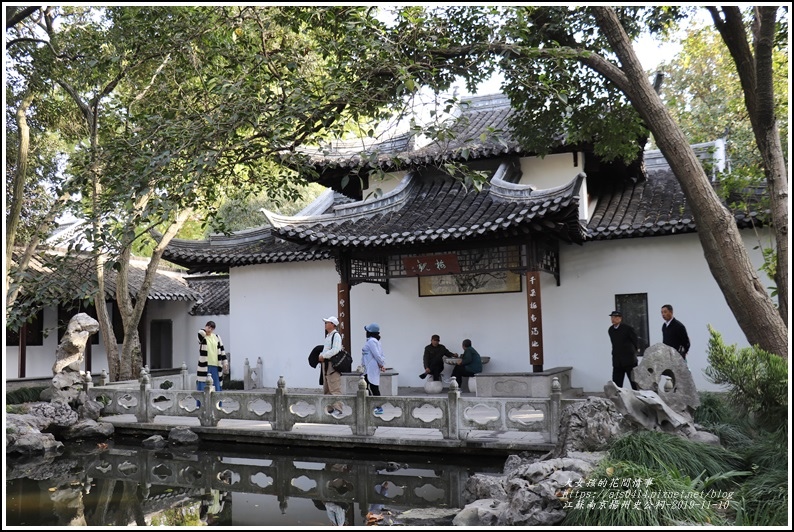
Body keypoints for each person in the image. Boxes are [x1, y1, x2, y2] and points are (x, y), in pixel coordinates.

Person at [319, 316, 345, 416]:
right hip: (326, 364)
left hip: (332, 365)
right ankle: (330, 409)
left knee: (334, 388)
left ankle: (338, 409)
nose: (325, 324)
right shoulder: (328, 336)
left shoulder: (336, 336)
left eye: (327, 322)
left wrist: (323, 356)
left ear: (333, 324)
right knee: (327, 388)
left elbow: (335, 350)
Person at [607, 310, 639, 389]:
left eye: (615, 317)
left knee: (634, 382)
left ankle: (638, 397)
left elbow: (635, 341)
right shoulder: (611, 330)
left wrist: (634, 353)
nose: (613, 319)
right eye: (612, 317)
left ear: (620, 318)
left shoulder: (628, 329)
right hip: (617, 360)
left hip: (629, 360)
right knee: (616, 383)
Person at [197, 320, 227, 392]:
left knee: (216, 385)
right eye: (208, 327)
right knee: (203, 384)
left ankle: (217, 403)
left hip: (216, 364)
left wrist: (225, 362)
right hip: (204, 365)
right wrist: (205, 330)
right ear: (205, 326)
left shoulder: (217, 337)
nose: (210, 329)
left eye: (212, 328)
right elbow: (200, 332)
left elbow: (222, 349)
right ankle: (202, 403)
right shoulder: (202, 337)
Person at [361, 323, 386, 404]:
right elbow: (381, 355)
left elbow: (377, 355)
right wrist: (381, 364)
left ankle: (377, 406)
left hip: (370, 368)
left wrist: (381, 364)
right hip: (369, 367)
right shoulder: (375, 341)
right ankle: (373, 404)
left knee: (372, 387)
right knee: (369, 386)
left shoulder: (371, 342)